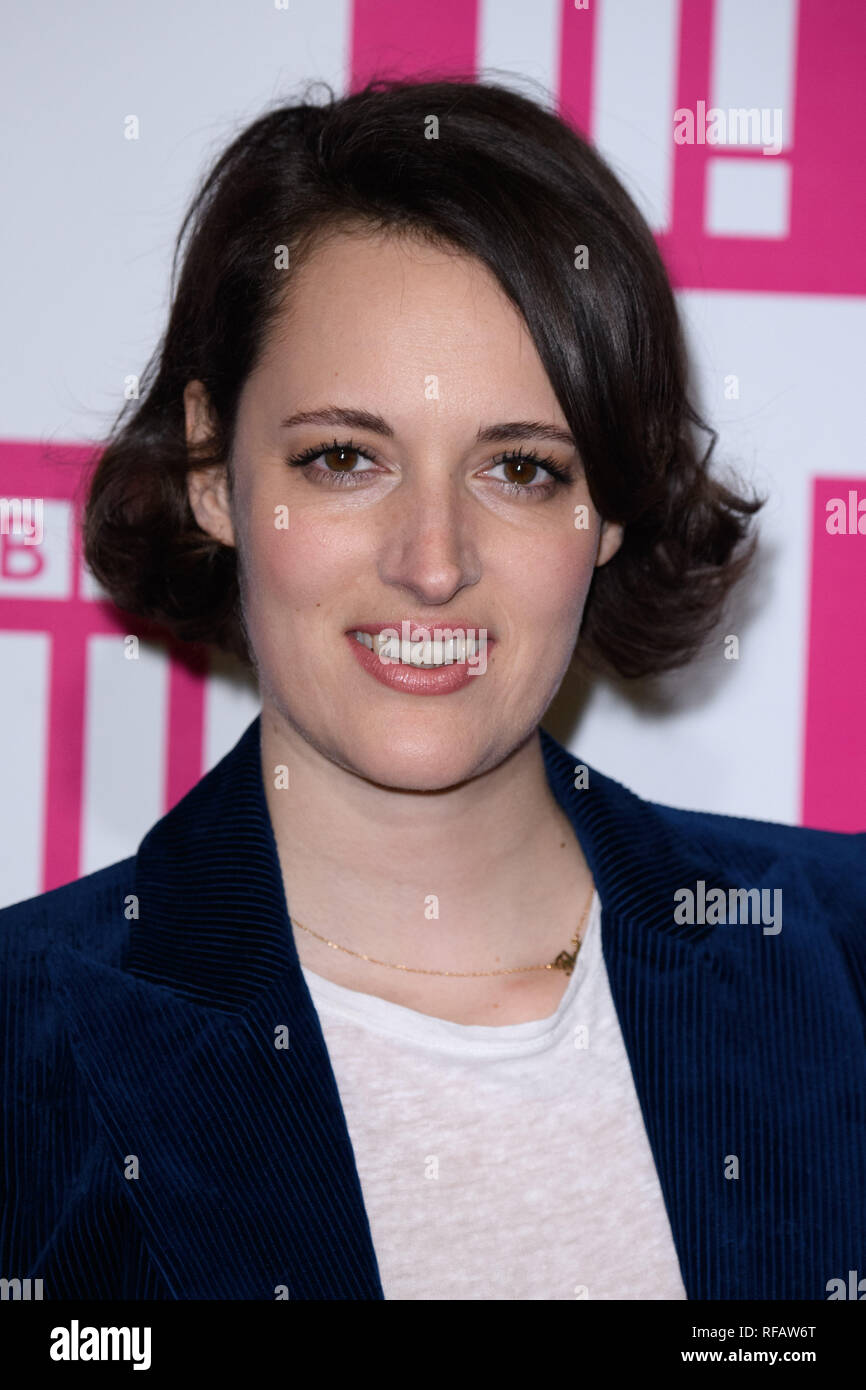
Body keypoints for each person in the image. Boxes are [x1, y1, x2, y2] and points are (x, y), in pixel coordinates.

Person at [1, 77, 864, 1303]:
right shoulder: (19, 1041)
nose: (433, 560)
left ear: (605, 504)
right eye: (343, 458)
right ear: (210, 468)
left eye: (519, 467)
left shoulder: (839, 948)